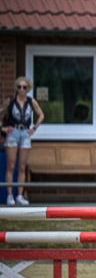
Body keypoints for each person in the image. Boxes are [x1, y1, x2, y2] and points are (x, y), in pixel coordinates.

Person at [2, 77, 45, 205]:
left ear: (28, 88)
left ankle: (19, 196)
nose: (21, 89)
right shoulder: (10, 101)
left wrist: (34, 128)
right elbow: (1, 113)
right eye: (19, 87)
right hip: (13, 132)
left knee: (22, 167)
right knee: (10, 166)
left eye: (24, 87)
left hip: (25, 132)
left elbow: (41, 115)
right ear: (16, 88)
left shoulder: (31, 102)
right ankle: (9, 196)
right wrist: (2, 128)